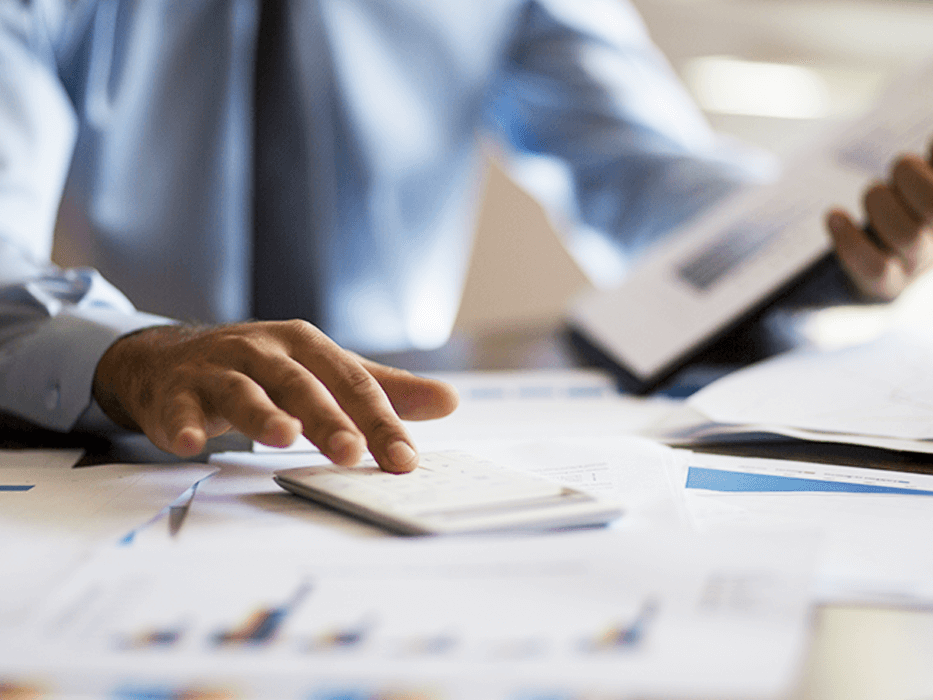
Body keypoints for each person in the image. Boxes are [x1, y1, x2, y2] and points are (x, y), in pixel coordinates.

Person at [1, 0, 931, 473]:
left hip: (399, 443)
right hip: (132, 446)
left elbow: (644, 174)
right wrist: (131, 352)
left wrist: (827, 241)